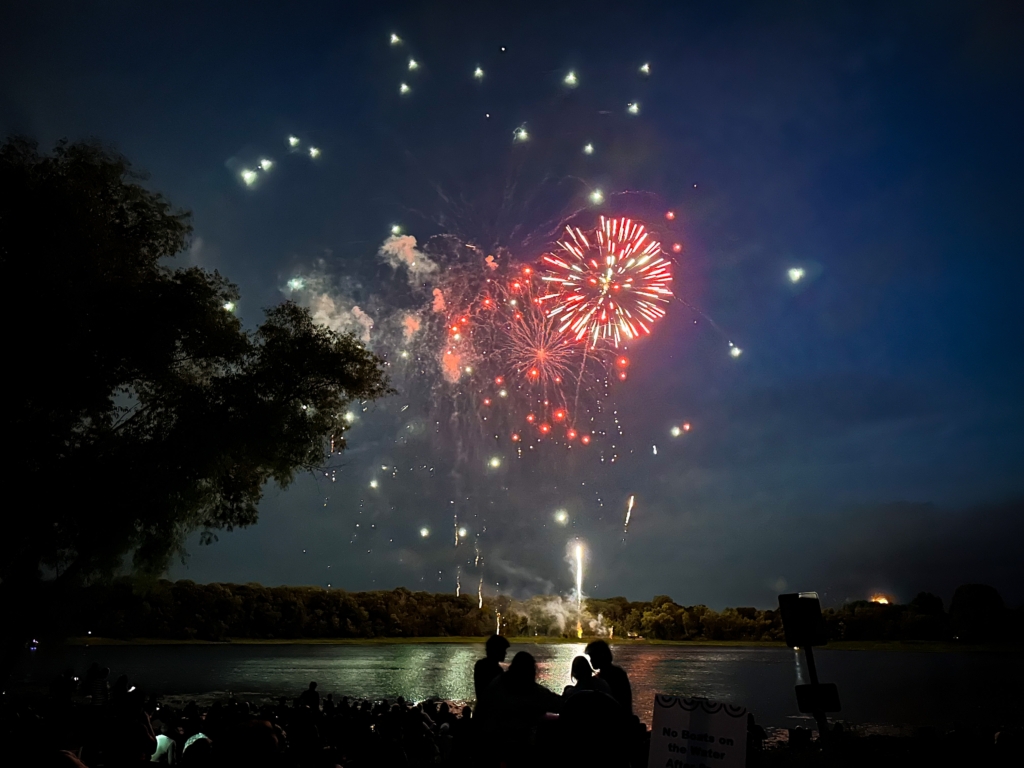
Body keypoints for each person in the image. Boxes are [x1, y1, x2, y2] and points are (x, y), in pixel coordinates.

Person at [585, 639, 632, 714]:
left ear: (600, 657)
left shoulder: (603, 679)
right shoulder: (619, 673)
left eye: (592, 657)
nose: (590, 660)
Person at [474, 634, 510, 701]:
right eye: (503, 650)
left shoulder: (480, 665)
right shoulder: (497, 670)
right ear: (497, 650)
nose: (505, 653)